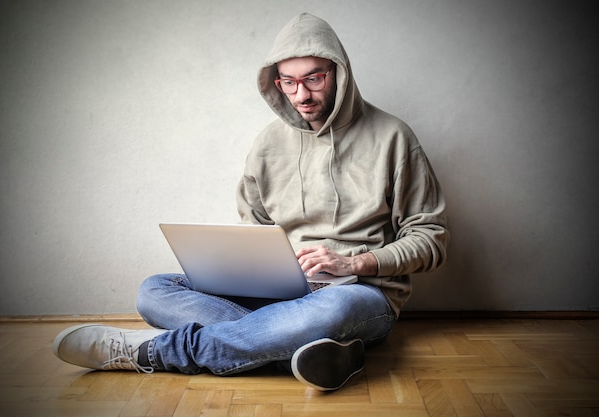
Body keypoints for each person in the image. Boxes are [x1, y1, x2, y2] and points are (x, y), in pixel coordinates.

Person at [53, 13, 449, 391]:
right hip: (282, 290)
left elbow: (432, 237)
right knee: (155, 289)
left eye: (313, 78)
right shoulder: (267, 143)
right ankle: (313, 351)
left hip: (360, 292)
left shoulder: (393, 137)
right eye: (288, 82)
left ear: (339, 73)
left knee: (331, 313)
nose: (301, 94)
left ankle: (157, 351)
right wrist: (246, 269)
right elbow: (254, 229)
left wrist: (353, 262)